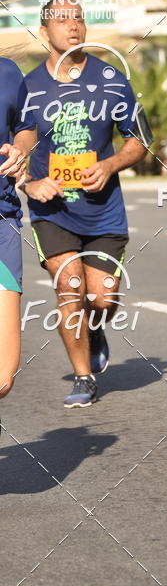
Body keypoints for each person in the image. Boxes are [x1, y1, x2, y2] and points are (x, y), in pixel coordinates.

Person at [21, 0, 150, 408]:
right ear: (44, 32)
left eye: (78, 18)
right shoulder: (27, 88)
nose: (72, 26)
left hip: (103, 212)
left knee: (102, 298)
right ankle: (83, 377)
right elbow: (13, 146)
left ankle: (94, 327)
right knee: (70, 283)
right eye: (61, 20)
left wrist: (110, 165)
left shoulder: (111, 78)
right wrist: (28, 182)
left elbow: (139, 141)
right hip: (52, 210)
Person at [0, 57, 36, 423]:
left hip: (1, 220)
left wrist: (20, 149)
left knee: (2, 375)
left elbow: (25, 127)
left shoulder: (8, 72)